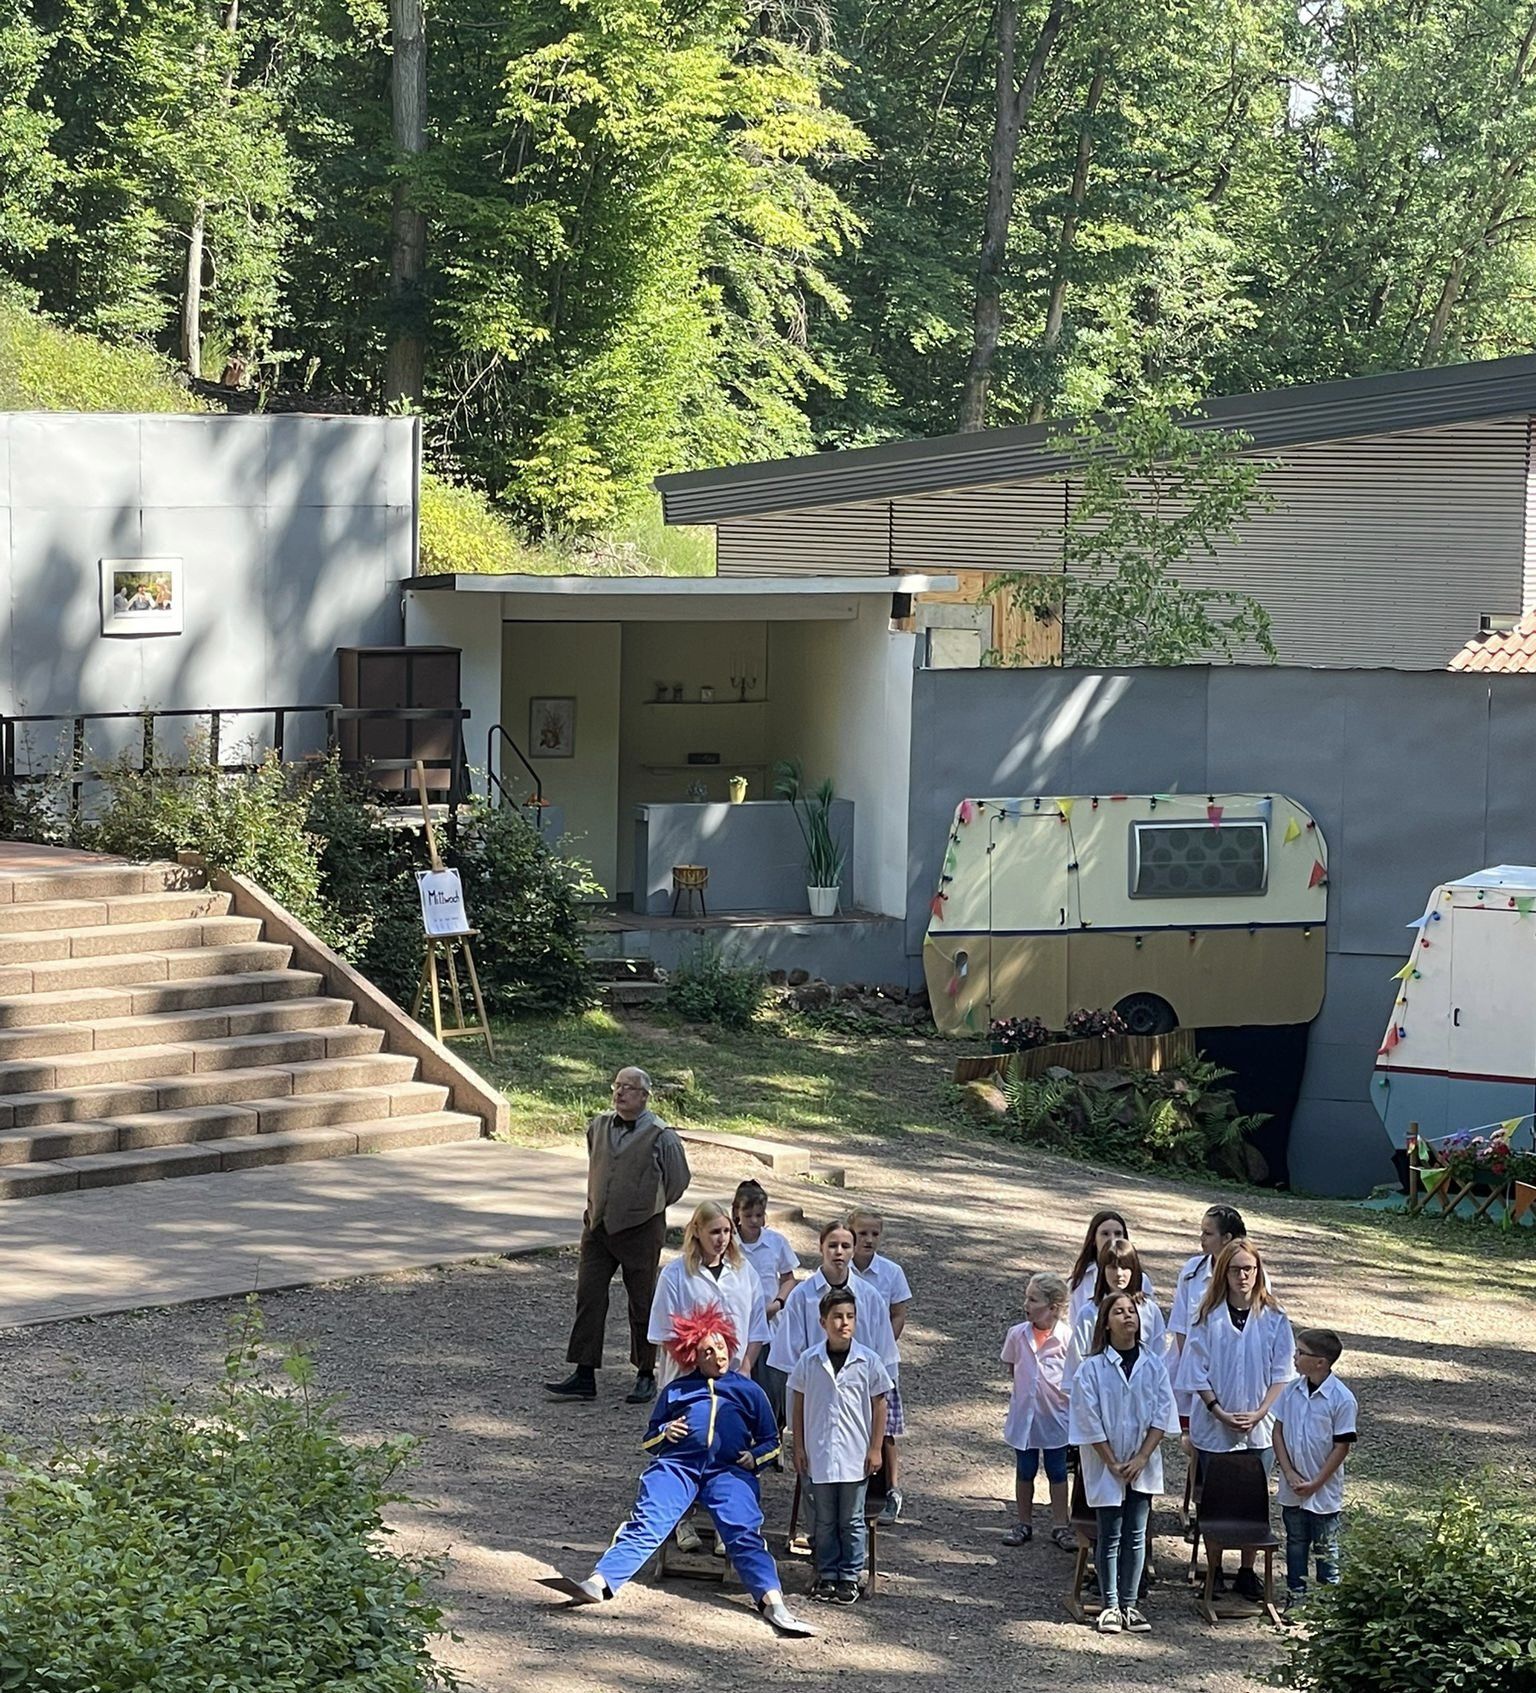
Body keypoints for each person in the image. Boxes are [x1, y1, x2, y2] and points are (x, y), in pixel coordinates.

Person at [567, 1304, 815, 1638]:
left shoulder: (749, 1390)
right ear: (694, 1358)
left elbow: (772, 1441)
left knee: (742, 1531)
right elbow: (649, 1440)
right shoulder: (677, 1390)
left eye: (721, 1347)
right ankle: (600, 1582)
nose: (718, 1356)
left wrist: (755, 1458)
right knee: (649, 1522)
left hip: (729, 1472)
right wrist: (665, 1431)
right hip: (678, 1467)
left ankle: (772, 1600)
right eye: (707, 1351)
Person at [547, 1067, 691, 1406]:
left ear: (645, 1096)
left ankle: (645, 1372)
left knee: (642, 1301)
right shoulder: (598, 1126)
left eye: (629, 1087)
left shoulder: (662, 1136)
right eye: (617, 1085)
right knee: (589, 1296)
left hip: (641, 1229)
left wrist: (647, 1205)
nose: (620, 1092)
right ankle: (584, 1372)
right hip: (598, 1227)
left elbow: (678, 1181)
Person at [650, 1200, 770, 1555]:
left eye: (726, 1231)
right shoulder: (676, 1275)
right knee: (686, 1444)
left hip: (732, 1379)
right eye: (714, 1231)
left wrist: (745, 1368)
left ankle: (723, 1522)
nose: (722, 1239)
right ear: (697, 1232)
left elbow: (756, 1328)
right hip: (686, 1377)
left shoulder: (744, 1272)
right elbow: (663, 1332)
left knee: (727, 1446)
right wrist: (695, 1368)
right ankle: (683, 1518)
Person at [1180, 1237, 1295, 1602]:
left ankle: (1247, 1571)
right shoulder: (1206, 1316)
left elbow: (1283, 1372)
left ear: (1258, 1271)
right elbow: (1195, 1371)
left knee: (1253, 1500)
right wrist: (1219, 1411)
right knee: (1215, 1500)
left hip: (1259, 1426)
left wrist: (1261, 1412)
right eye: (1235, 1270)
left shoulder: (1274, 1317)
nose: (1243, 1276)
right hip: (1215, 1422)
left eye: (1249, 1269)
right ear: (1223, 1273)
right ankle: (1213, 1571)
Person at [1067, 1291, 1180, 1635]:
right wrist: (1113, 1462)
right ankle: (1110, 1605)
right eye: (1119, 1311)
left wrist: (1142, 1456)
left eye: (1132, 1310)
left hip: (1142, 1463)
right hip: (1107, 1464)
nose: (1128, 1316)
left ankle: (1130, 1604)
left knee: (1136, 1534)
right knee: (1110, 1534)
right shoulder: (1091, 1369)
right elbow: (1087, 1420)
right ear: (1106, 1322)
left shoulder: (1154, 1365)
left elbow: (1162, 1414)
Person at [787, 1285, 892, 1605]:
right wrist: (798, 1447)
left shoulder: (869, 1361)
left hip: (855, 1454)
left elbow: (880, 1406)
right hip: (819, 1452)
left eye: (850, 1317)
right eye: (837, 1317)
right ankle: (827, 1571)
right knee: (823, 1519)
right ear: (823, 1322)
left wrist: (875, 1448)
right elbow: (798, 1405)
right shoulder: (809, 1361)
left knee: (851, 1519)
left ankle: (849, 1575)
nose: (844, 1323)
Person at [1273, 1328, 1357, 1607]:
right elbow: (1278, 1431)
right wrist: (1288, 1472)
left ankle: (1327, 1603)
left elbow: (1341, 1446)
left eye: (1300, 1353)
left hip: (1323, 1489)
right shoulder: (1291, 1390)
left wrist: (1317, 1483)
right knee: (1296, 1541)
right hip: (1293, 1485)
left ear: (1320, 1362)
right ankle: (1296, 1596)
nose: (1294, 1357)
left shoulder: (1341, 1399)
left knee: (1326, 1546)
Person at [1000, 1271, 1074, 1549]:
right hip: (1025, 1417)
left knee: (1057, 1470)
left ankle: (1060, 1525)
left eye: (1033, 1300)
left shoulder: (1068, 1338)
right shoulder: (1017, 1335)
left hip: (1056, 1417)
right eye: (1026, 1298)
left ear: (1053, 1307)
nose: (1026, 1305)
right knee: (1025, 1469)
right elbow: (1012, 1367)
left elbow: (1074, 1375)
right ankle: (1023, 1522)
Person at [848, 1206, 913, 1524]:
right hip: (848, 1361)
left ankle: (892, 1489)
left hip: (881, 1363)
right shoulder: (841, 1271)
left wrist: (885, 1345)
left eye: (875, 1234)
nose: (869, 1240)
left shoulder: (891, 1272)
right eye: (862, 1233)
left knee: (884, 1430)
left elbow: (898, 1313)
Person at [1167, 1205, 1250, 1427]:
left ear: (1227, 1238)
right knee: (1191, 1435)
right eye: (1201, 1232)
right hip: (1193, 1371)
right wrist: (1192, 1367)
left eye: (1208, 1233)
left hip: (1231, 1373)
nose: (1201, 1238)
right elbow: (1181, 1326)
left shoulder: (1250, 1275)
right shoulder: (1192, 1271)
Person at [733, 1179, 799, 1436]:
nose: (754, 1221)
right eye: (748, 1215)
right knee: (742, 1382)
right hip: (740, 1325)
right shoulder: (730, 1245)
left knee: (773, 1386)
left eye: (759, 1215)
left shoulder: (775, 1242)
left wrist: (778, 1303)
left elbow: (788, 1277)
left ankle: (774, 1435)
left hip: (771, 1325)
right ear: (737, 1213)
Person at [1064, 1240, 1167, 1389]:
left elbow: (1159, 1356)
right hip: (1098, 1391)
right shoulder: (1089, 1313)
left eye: (1125, 1267)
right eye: (1112, 1267)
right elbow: (1077, 1359)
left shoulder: (1149, 1311)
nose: (1119, 1273)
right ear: (1102, 1270)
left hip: (1141, 1391)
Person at [1067, 1209, 1154, 1321]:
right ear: (1093, 1239)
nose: (1112, 1239)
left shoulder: (1141, 1279)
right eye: (1105, 1234)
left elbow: (1149, 1318)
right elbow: (1074, 1322)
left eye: (1118, 1234)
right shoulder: (1080, 1281)